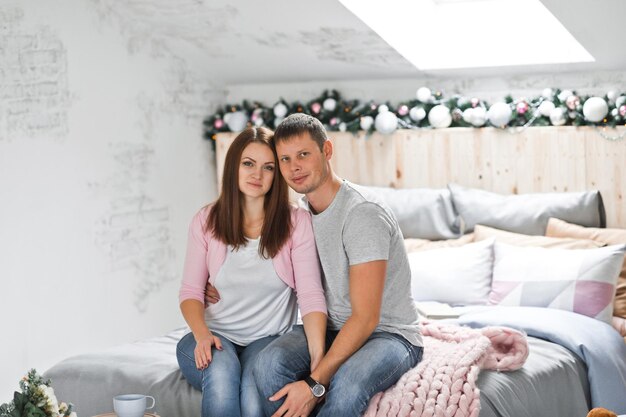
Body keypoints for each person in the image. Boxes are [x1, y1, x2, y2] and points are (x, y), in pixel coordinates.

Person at [253, 113, 424, 417]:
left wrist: (315, 383)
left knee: (347, 382)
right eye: (285, 159)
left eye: (303, 154)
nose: (294, 167)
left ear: (327, 151)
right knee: (267, 364)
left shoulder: (362, 213)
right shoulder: (300, 215)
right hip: (329, 327)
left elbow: (366, 317)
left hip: (388, 333)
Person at [176, 126, 327, 417]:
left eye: (268, 167)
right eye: (248, 164)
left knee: (252, 396)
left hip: (268, 340)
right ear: (234, 166)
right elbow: (191, 292)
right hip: (214, 336)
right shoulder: (206, 220)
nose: (257, 175)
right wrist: (202, 334)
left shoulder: (297, 223)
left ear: (277, 175)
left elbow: (310, 294)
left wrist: (318, 361)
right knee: (221, 377)